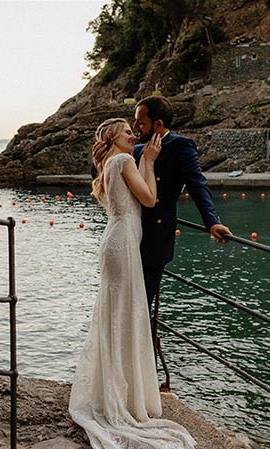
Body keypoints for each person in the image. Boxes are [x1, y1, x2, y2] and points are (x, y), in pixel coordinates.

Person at [69, 118, 196, 449]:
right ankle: (123, 399)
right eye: (127, 133)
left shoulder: (110, 164)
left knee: (118, 315)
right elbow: (150, 198)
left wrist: (144, 162)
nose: (133, 137)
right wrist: (152, 161)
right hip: (123, 242)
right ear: (111, 138)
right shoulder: (123, 162)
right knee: (126, 314)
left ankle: (118, 390)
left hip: (117, 240)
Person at [92, 96, 231, 375]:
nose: (135, 128)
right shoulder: (134, 149)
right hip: (127, 237)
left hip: (153, 240)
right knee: (123, 309)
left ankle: (135, 378)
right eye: (132, 125)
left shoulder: (180, 146)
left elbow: (197, 183)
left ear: (157, 123)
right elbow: (110, 174)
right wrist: (99, 153)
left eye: (140, 122)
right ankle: (123, 377)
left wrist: (211, 222)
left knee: (140, 308)